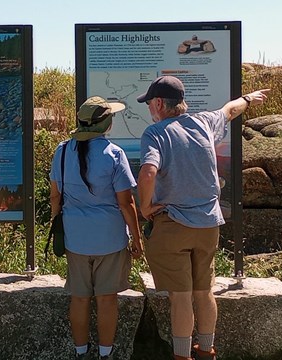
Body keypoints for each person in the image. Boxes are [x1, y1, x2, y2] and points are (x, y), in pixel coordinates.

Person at [136, 76, 269, 360]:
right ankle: (207, 351)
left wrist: (145, 207)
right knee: (204, 291)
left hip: (173, 225)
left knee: (181, 297)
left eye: (149, 103)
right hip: (209, 224)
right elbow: (230, 110)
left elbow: (148, 172)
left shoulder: (155, 133)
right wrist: (248, 98)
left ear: (159, 103)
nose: (149, 109)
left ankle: (182, 356)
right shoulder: (205, 122)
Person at [50, 96, 143, 360]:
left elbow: (55, 196)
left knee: (79, 298)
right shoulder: (114, 154)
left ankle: (81, 352)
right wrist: (137, 240)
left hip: (75, 238)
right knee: (107, 299)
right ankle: (105, 354)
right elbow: (126, 203)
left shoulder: (62, 151)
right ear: (105, 124)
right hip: (110, 239)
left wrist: (59, 222)